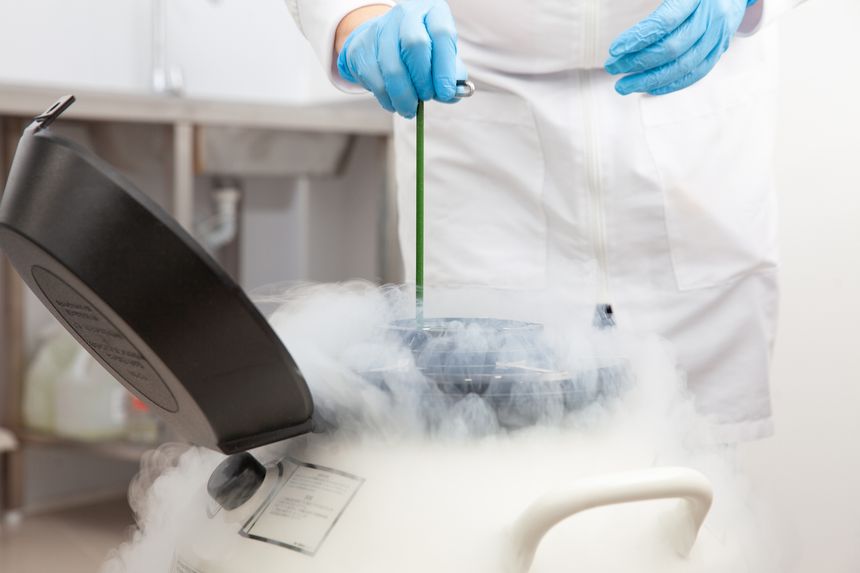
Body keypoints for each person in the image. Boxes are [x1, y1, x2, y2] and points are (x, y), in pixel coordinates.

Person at [284, 0, 805, 441]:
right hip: (480, 128)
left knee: (688, 502)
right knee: (486, 476)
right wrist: (355, 16)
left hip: (689, 109)